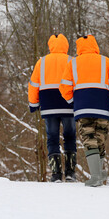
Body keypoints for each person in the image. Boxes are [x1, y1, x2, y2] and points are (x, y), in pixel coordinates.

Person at [59, 35, 109, 187]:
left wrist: (72, 101)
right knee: (100, 139)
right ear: (95, 46)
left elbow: (64, 87)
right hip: (103, 108)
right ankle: (99, 173)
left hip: (83, 107)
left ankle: (95, 176)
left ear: (79, 47)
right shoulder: (106, 62)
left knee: (89, 139)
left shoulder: (73, 63)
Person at [28, 34, 77, 183]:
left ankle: (56, 173)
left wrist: (33, 104)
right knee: (70, 136)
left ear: (50, 46)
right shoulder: (71, 61)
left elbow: (33, 84)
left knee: (52, 137)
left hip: (49, 105)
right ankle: (70, 172)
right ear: (66, 45)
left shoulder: (41, 62)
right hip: (68, 104)